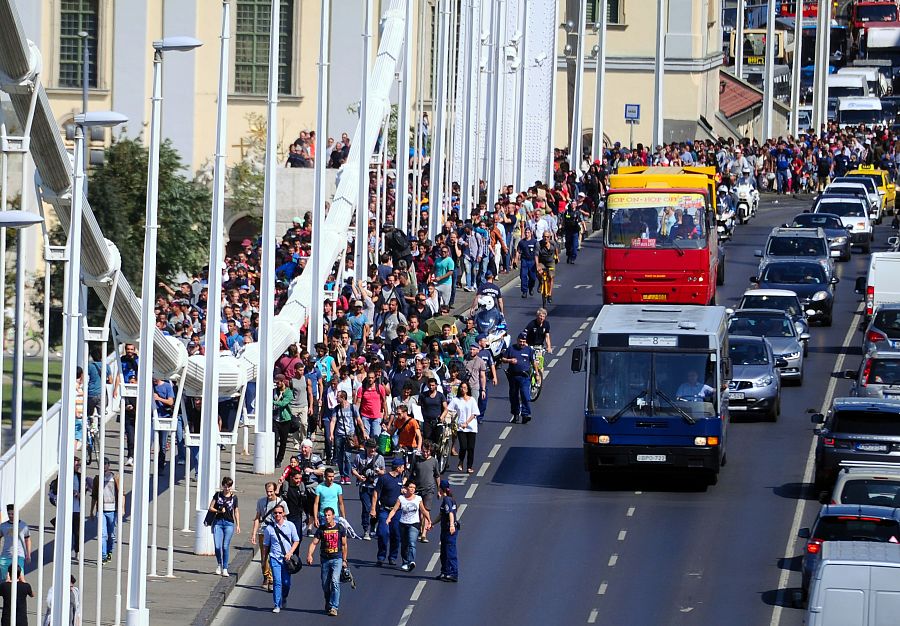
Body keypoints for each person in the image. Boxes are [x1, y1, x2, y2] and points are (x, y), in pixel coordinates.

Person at [306, 507, 348, 617]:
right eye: (325, 515)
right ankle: (328, 601)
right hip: (325, 559)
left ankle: (334, 607)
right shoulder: (322, 529)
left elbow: (344, 545)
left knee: (335, 581)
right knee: (325, 585)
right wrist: (310, 555)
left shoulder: (340, 528)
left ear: (334, 516)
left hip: (337, 559)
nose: (327, 517)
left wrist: (344, 560)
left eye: (329, 515)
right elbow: (314, 543)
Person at [250, 482, 288, 591]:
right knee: (264, 557)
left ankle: (271, 579)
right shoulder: (261, 501)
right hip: (264, 531)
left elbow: (285, 519)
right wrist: (254, 533)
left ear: (275, 491)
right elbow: (257, 518)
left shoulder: (282, 503)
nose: (269, 494)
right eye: (267, 491)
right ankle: (265, 575)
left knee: (274, 555)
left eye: (271, 491)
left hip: (276, 533)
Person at [386, 482, 432, 572]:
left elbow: (423, 510)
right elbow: (394, 509)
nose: (412, 489)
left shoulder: (418, 499)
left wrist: (429, 521)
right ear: (406, 488)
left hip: (414, 524)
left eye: (414, 488)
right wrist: (389, 518)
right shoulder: (401, 498)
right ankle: (405, 562)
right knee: (404, 544)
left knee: (412, 543)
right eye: (410, 487)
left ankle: (411, 561)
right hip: (403, 523)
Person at [262, 504, 300, 614]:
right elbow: (266, 545)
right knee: (277, 582)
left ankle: (284, 597)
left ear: (283, 513)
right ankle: (277, 604)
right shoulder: (269, 529)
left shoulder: (290, 525)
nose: (278, 514)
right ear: (273, 515)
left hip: (287, 559)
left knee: (286, 583)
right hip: (274, 558)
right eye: (275, 513)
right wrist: (264, 559)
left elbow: (296, 540)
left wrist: (290, 552)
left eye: (280, 512)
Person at [371, 457, 406, 567]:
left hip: (397, 511)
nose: (404, 469)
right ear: (398, 468)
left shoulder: (401, 478)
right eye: (403, 467)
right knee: (383, 533)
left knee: (396, 534)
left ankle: (393, 557)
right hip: (384, 510)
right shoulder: (384, 478)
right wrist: (373, 509)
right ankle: (381, 556)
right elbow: (376, 493)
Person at [351, 438, 385, 541]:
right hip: (364, 486)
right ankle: (366, 529)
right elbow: (353, 469)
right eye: (371, 448)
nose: (372, 450)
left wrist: (379, 471)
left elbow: (384, 472)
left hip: (376, 486)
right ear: (366, 447)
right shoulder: (359, 457)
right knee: (366, 508)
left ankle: (373, 525)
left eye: (374, 448)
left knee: (377, 509)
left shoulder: (380, 458)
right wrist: (359, 476)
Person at [207, 476, 240, 577]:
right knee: (217, 546)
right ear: (222, 486)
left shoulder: (234, 498)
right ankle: (219, 564)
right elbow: (210, 507)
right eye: (225, 486)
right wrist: (219, 511)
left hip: (229, 523)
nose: (227, 489)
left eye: (229, 486)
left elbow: (236, 511)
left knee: (225, 546)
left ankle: (225, 568)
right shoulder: (218, 495)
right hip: (218, 522)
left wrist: (238, 524)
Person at [329, 391, 364, 484]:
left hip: (350, 435)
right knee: (339, 457)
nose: (336, 398)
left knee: (348, 456)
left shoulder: (353, 408)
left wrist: (363, 432)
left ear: (343, 398)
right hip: (339, 435)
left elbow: (359, 420)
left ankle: (347, 475)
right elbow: (333, 421)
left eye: (338, 397)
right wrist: (331, 434)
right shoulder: (336, 409)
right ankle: (342, 475)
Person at [90, 459, 121, 564]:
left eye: (105, 464)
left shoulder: (115, 477)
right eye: (102, 464)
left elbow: (122, 493)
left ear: (109, 465)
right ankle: (103, 556)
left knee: (111, 535)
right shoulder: (97, 479)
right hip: (101, 510)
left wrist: (122, 509)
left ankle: (109, 552)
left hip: (112, 510)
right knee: (102, 534)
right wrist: (91, 511)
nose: (103, 466)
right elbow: (94, 495)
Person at [501, 332, 536, 424]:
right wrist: (509, 360)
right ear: (517, 340)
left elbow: (533, 362)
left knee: (525, 395)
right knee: (513, 396)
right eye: (520, 341)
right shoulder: (511, 349)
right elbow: (503, 359)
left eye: (524, 342)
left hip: (524, 376)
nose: (522, 343)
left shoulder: (529, 350)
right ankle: (516, 414)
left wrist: (536, 373)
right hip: (513, 376)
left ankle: (526, 414)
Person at [410, 441, 440, 543]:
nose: (425, 454)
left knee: (426, 511)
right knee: (419, 512)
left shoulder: (434, 461)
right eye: (423, 451)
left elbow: (437, 476)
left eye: (427, 452)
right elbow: (410, 472)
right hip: (417, 489)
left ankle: (423, 534)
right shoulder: (416, 459)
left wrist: (439, 490)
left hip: (429, 489)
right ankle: (420, 529)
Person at [450, 382, 480, 473]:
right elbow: (449, 409)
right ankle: (461, 460)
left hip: (471, 427)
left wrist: (467, 423)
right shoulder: (456, 400)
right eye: (461, 387)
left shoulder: (472, 400)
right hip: (461, 427)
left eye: (465, 387)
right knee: (463, 446)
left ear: (468, 389)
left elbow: (474, 413)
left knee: (471, 448)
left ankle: (469, 466)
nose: (463, 389)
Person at [436, 479, 458, 582]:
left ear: (441, 489)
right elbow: (441, 515)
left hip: (449, 530)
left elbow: (450, 513)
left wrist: (452, 525)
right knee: (444, 552)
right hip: (444, 529)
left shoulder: (447, 500)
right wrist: (432, 523)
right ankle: (445, 572)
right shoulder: (449, 499)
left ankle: (453, 573)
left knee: (450, 551)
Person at [0, 507, 29, 583]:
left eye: (12, 514)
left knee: (20, 578)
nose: (10, 515)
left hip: (19, 555)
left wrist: (28, 554)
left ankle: (20, 593)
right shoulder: (3, 526)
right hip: (5, 556)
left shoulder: (24, 525)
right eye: (9, 514)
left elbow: (27, 540)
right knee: (5, 579)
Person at [272, 374, 295, 466]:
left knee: (283, 442)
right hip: (275, 419)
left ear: (282, 381)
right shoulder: (274, 391)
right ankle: (272, 459)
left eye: (278, 383)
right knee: (274, 440)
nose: (277, 384)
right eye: (275, 383)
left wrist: (272, 401)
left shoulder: (288, 392)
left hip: (285, 419)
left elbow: (283, 403)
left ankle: (279, 460)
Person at [514, 227, 538, 298]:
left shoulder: (535, 242)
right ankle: (524, 291)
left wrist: (538, 263)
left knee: (533, 277)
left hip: (532, 261)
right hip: (524, 261)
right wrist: (516, 260)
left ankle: (531, 287)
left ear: (531, 233)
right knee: (523, 276)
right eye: (526, 233)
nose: (527, 234)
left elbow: (537, 253)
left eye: (528, 233)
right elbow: (518, 251)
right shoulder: (522, 242)